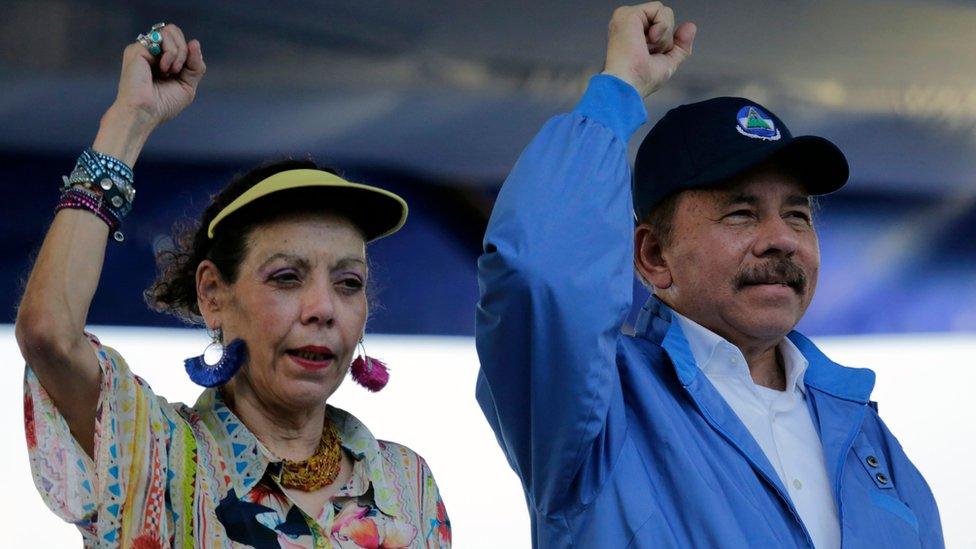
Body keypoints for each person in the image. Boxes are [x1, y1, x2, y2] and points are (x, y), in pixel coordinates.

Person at [475, 2, 943, 547]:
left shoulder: (867, 437)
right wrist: (616, 88)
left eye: (797, 214)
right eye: (741, 213)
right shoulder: (597, 412)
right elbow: (540, 273)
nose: (783, 238)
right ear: (653, 257)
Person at [16, 23, 451, 548]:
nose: (323, 308)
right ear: (213, 295)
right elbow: (48, 332)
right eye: (287, 277)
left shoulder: (408, 482)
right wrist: (129, 121)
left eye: (348, 282)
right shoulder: (153, 454)